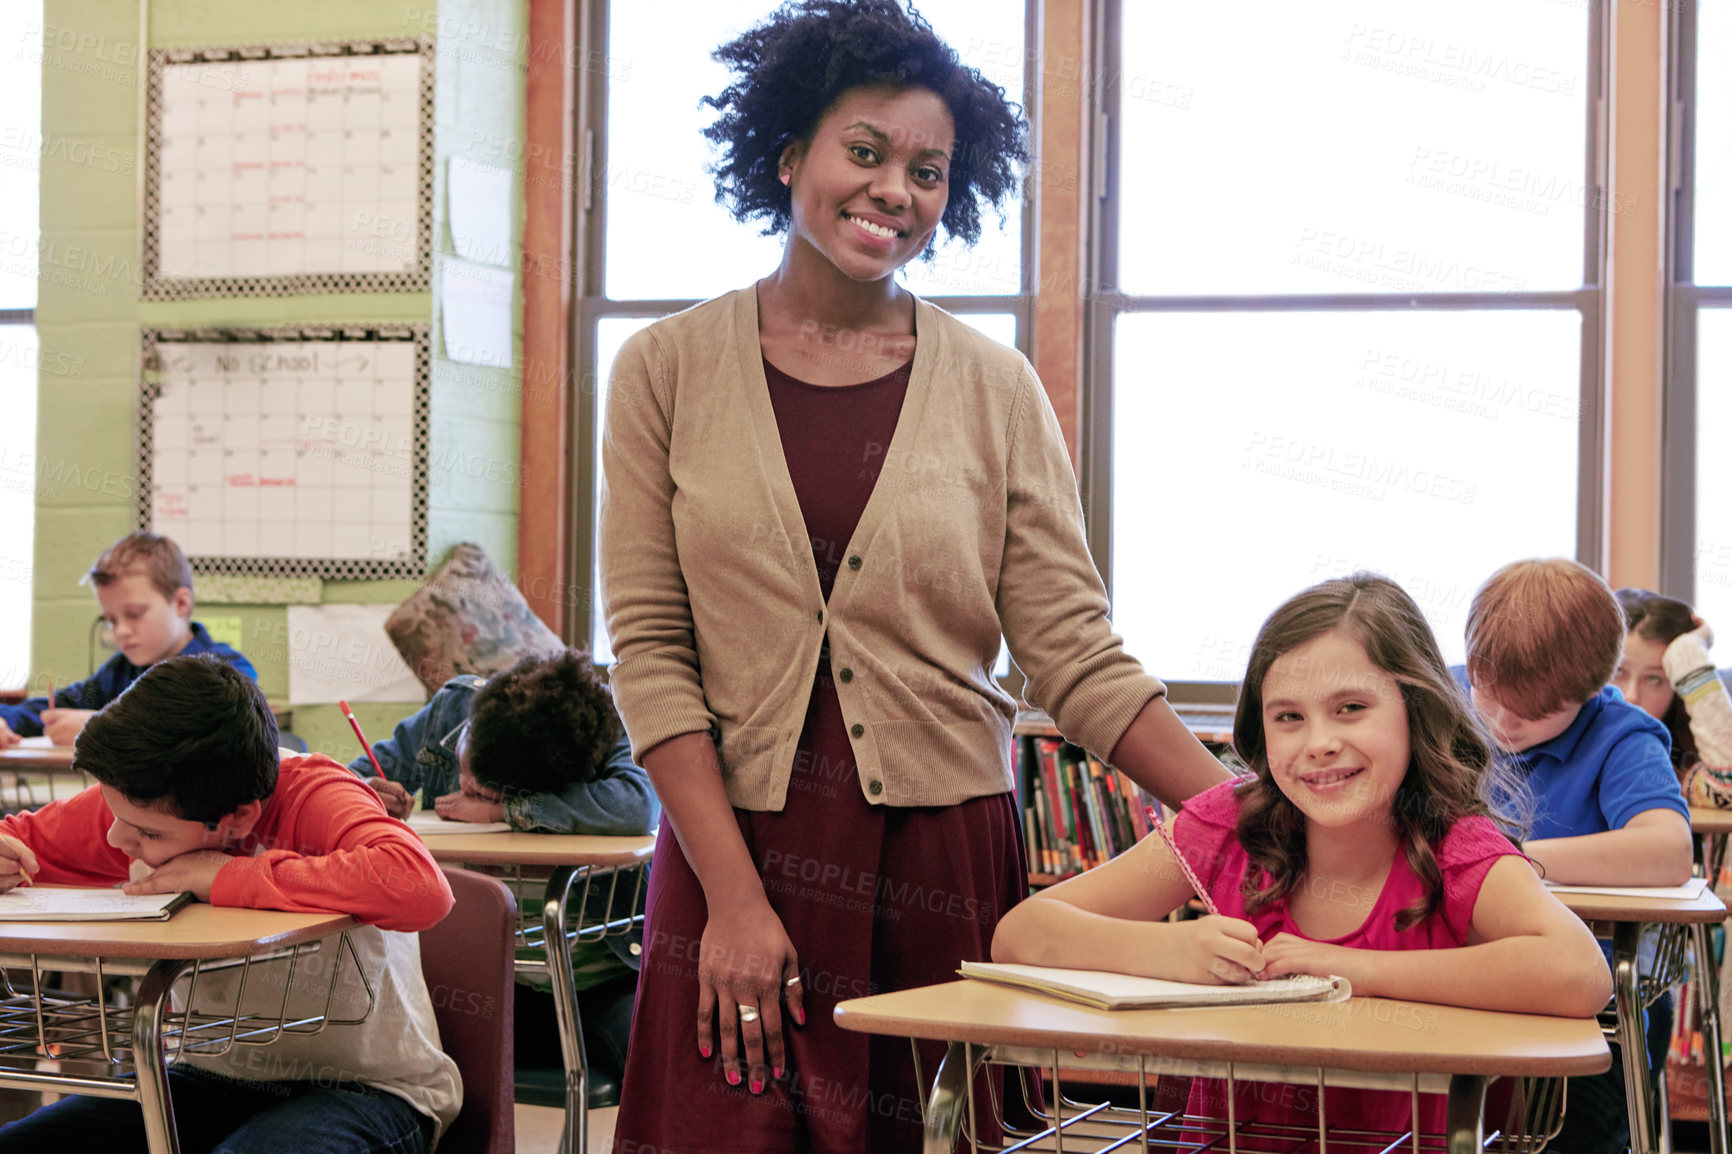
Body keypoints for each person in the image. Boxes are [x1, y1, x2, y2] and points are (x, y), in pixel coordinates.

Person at [597, 2, 1232, 1149]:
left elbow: (1073, 650)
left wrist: (1239, 810)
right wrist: (734, 901)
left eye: (929, 169)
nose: (897, 188)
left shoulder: (994, 389)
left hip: (931, 854)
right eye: (867, 151)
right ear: (789, 154)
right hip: (728, 848)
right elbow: (650, 647)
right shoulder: (664, 371)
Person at [992, 573, 1612, 1141]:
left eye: (1351, 709)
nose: (1319, 744)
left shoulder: (1455, 849)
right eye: (1289, 717)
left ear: (1414, 709)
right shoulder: (1226, 826)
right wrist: (1169, 951)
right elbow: (1021, 934)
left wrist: (1349, 969)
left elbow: (1580, 974)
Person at [0, 655, 459, 1153]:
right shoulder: (139, 800)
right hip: (209, 1073)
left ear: (238, 818)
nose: (115, 837)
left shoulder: (314, 793)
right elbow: (15, 838)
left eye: (148, 834)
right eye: (115, 816)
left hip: (368, 1088)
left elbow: (420, 886)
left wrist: (229, 875)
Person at [347, 648, 660, 1090]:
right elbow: (343, 780)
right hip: (479, 982)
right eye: (463, 764)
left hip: (593, 981)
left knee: (661, 1074)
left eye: (488, 790)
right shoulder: (453, 708)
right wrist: (367, 794)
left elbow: (638, 805)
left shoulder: (604, 726)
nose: (465, 787)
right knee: (389, 1066)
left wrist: (508, 812)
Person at [1463, 558, 1693, 1154]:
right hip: (1470, 975)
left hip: (1591, 995)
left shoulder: (1621, 735)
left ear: (1591, 689)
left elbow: (1668, 850)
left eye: (1536, 710)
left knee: (1583, 1124)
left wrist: (1510, 860)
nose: (1504, 721)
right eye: (1491, 695)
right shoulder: (1452, 706)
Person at [0, 532, 256, 749]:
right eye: (110, 620)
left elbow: (206, 727)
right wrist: (6, 719)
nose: (119, 631)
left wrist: (102, 726)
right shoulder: (122, 671)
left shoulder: (226, 669)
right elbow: (65, 704)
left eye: (134, 614)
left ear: (181, 603)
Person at [1613, 587, 1732, 808]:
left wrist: (1687, 653)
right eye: (1618, 672)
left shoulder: (1675, 767)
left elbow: (1727, 783)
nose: (1630, 696)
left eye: (1654, 679)